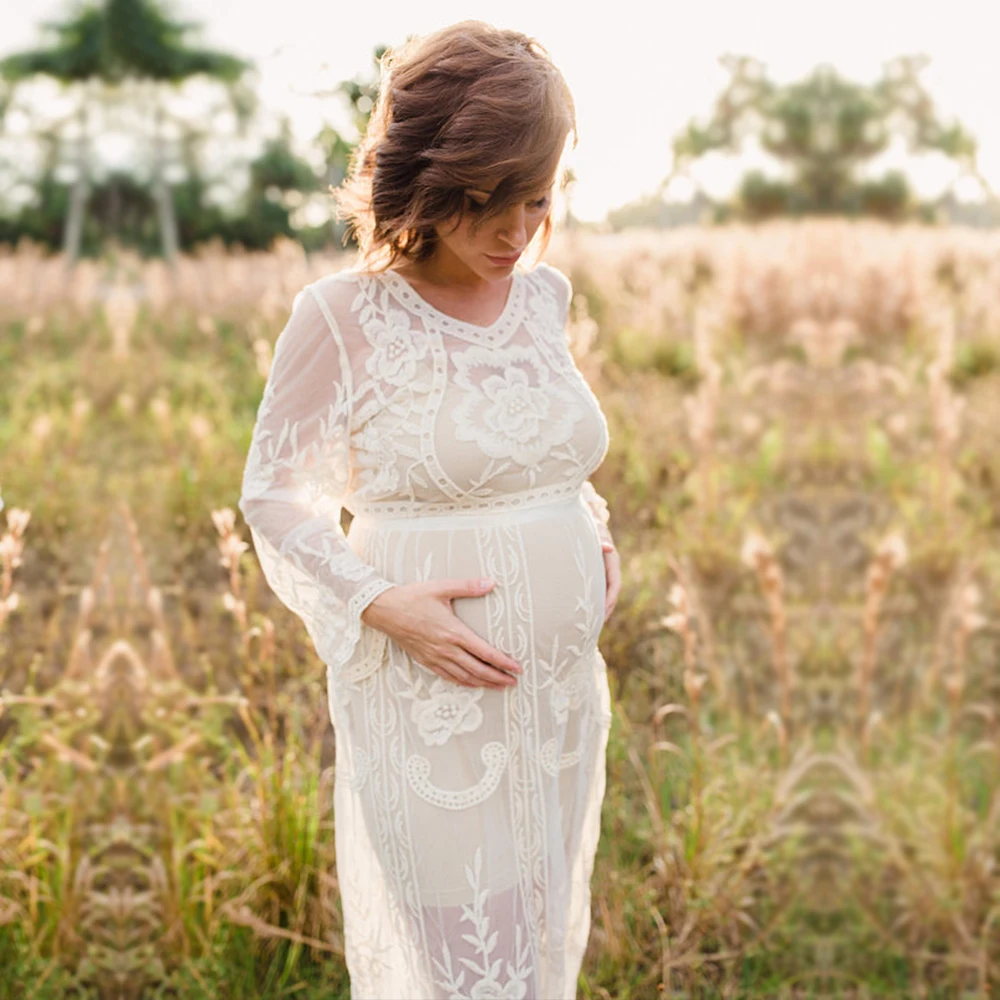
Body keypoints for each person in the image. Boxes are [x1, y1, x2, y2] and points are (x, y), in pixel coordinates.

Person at [238, 20, 621, 999]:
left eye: (535, 200)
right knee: (466, 974)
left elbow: (547, 454)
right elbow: (273, 497)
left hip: (560, 700)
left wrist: (594, 532)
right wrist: (380, 602)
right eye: (481, 202)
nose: (512, 232)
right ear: (421, 180)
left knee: (536, 954)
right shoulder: (339, 316)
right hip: (428, 706)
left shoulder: (544, 299)